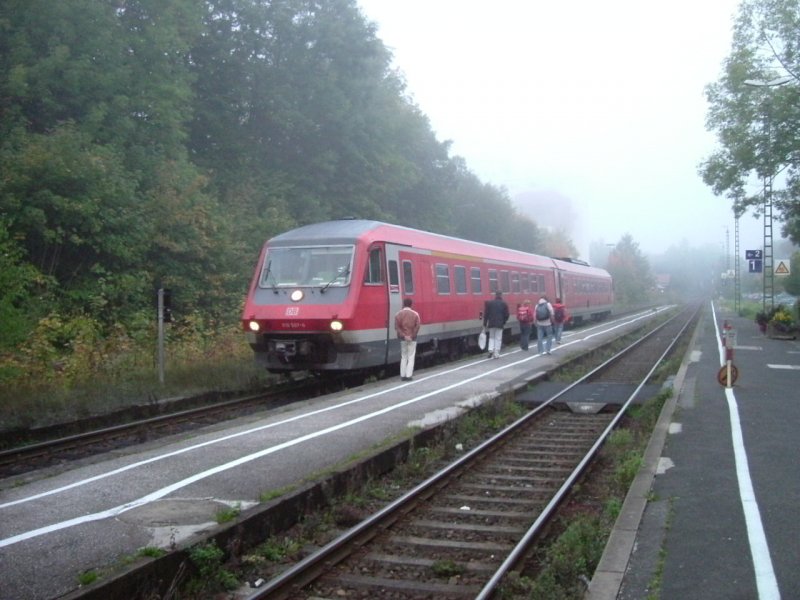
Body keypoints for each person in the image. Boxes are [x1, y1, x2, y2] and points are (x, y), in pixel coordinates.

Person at [394, 297, 421, 381]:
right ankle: (409, 375)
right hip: (412, 339)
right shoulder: (415, 314)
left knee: (404, 357)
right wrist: (412, 336)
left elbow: (397, 327)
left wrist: (404, 336)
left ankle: (403, 375)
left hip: (403, 339)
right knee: (411, 357)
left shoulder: (398, 314)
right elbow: (417, 326)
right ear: (411, 304)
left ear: (403, 304)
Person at [483, 291, 509, 359]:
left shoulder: (490, 303)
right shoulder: (504, 304)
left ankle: (490, 350)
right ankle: (496, 352)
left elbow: (486, 315)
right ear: (501, 295)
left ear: (495, 295)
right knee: (498, 338)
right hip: (500, 324)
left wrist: (485, 324)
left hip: (491, 323)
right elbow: (507, 315)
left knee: (491, 337)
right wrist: (504, 322)